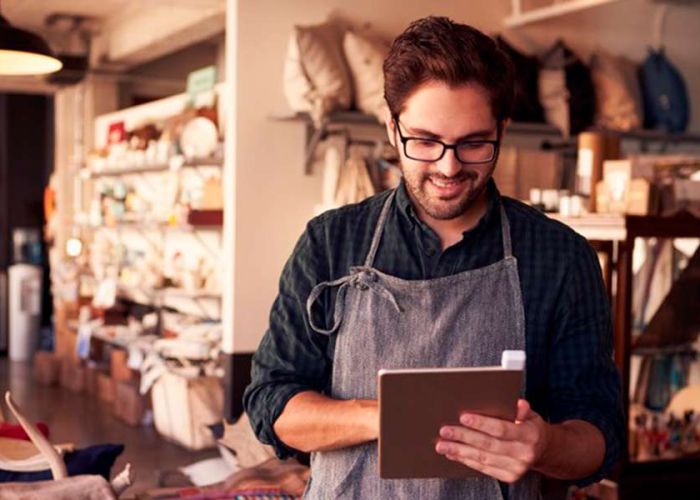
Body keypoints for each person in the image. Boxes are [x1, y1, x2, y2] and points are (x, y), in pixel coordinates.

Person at [244, 16, 624, 499]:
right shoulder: (330, 242)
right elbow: (271, 404)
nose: (448, 166)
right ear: (391, 127)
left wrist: (545, 444)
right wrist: (385, 415)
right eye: (424, 141)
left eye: (473, 143)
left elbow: (600, 437)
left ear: (502, 131)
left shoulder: (559, 257)